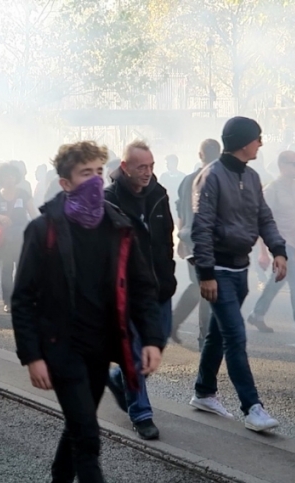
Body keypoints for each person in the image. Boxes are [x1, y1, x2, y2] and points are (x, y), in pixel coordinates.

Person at [11, 140, 164, 482]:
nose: (95, 180)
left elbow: (141, 288)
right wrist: (32, 356)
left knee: (78, 426)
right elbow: (23, 298)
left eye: (99, 171)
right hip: (61, 348)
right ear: (65, 183)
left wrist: (152, 338)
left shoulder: (118, 227)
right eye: (85, 173)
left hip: (100, 348)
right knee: (88, 436)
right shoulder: (43, 230)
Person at [190, 117, 286, 432]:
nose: (261, 143)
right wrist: (205, 273)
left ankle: (204, 392)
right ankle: (252, 407)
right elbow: (201, 228)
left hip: (239, 269)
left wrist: (278, 249)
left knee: (219, 334)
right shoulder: (212, 177)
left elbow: (263, 217)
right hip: (216, 270)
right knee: (235, 336)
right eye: (258, 138)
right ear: (245, 142)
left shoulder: (253, 177)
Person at [103, 140, 175, 440]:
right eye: (141, 167)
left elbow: (166, 239)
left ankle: (118, 378)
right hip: (126, 292)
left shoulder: (159, 195)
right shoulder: (108, 200)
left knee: (155, 347)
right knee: (134, 354)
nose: (147, 172)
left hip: (159, 288)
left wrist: (168, 275)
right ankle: (141, 413)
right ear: (124, 167)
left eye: (151, 166)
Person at [247, 151, 295, 344]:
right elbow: (262, 221)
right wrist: (263, 252)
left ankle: (257, 315)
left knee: (276, 282)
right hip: (280, 245)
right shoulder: (272, 190)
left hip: (293, 243)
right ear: (283, 166)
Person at [171, 139, 220, 347]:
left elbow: (182, 212)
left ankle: (175, 323)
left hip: (192, 241)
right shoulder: (218, 180)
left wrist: (180, 239)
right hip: (208, 242)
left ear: (200, 155)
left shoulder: (189, 180)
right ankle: (204, 337)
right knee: (205, 287)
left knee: (200, 285)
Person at [0, 163, 37, 313]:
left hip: (21, 239)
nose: (10, 179)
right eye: (6, 176)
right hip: (5, 241)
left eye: (12, 176)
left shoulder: (23, 194)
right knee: (7, 271)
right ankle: (7, 302)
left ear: (17, 178)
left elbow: (34, 215)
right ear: (1, 179)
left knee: (22, 271)